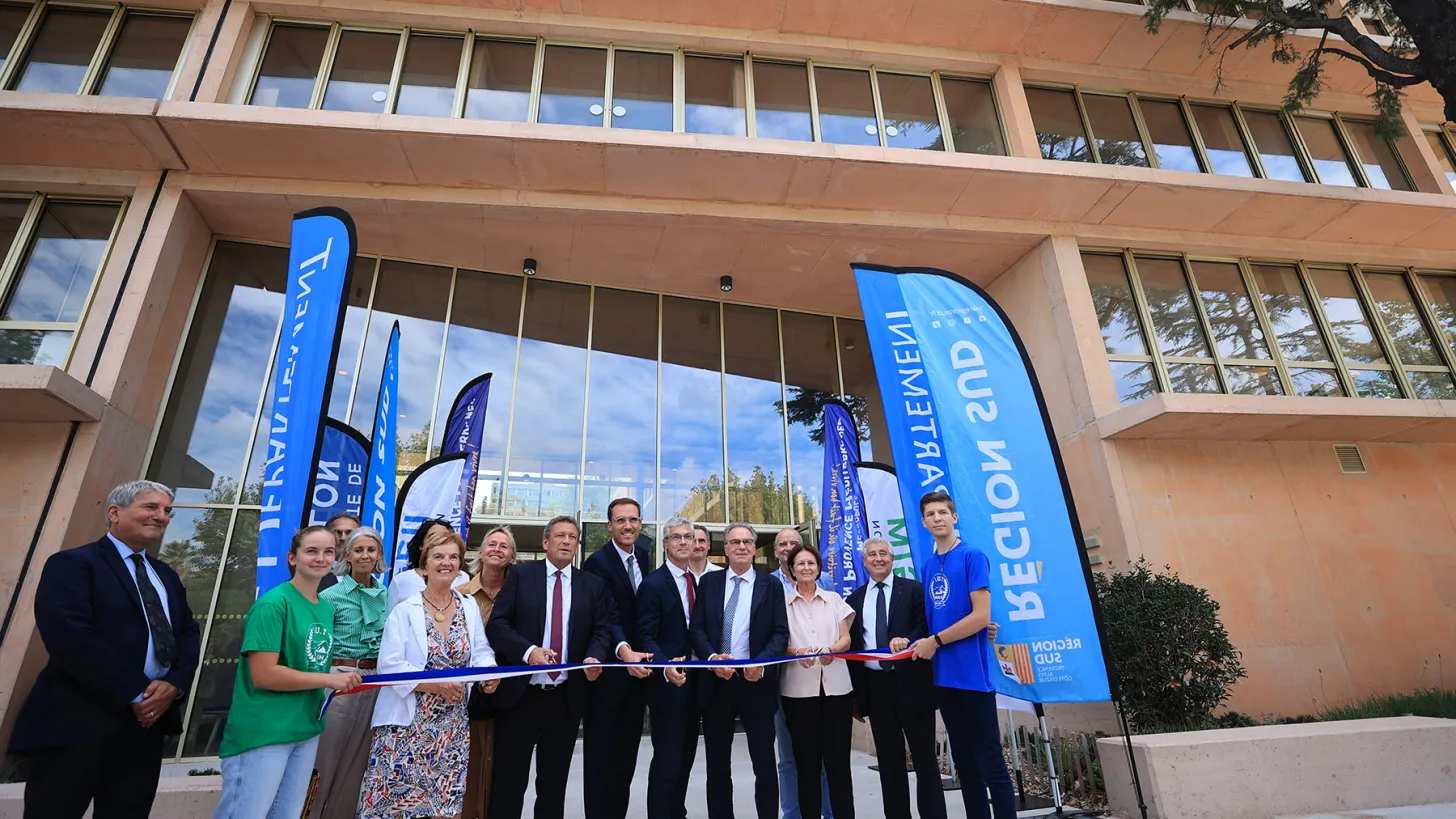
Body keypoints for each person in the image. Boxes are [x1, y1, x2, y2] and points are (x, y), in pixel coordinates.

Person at [12, 480, 201, 819]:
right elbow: (70, 638)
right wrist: (137, 693)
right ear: (115, 512)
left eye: (167, 511)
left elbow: (187, 633)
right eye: (151, 507)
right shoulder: (72, 564)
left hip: (144, 730)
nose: (161, 516)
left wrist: (173, 685)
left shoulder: (166, 576)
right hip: (77, 723)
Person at [213, 527, 362, 819]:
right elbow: (264, 674)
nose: (321, 558)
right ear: (292, 558)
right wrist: (330, 679)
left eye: (328, 552)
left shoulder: (324, 609)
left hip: (305, 729)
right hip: (264, 731)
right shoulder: (273, 604)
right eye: (311, 551)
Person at [358, 528, 499, 819]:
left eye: (453, 557)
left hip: (452, 728)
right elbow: (390, 666)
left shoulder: (468, 606)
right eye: (438, 556)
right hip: (405, 727)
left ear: (460, 564)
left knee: (445, 808)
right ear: (425, 565)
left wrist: (489, 673)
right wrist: (437, 686)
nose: (446, 562)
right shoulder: (404, 610)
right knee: (395, 810)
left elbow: (481, 651)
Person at [486, 516, 619, 819]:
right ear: (546, 542)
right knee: (509, 784)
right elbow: (498, 625)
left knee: (553, 786)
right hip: (521, 698)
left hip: (565, 699)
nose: (566, 541)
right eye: (560, 535)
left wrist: (594, 656)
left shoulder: (591, 584)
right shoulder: (521, 575)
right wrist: (529, 652)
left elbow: (602, 629)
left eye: (572, 537)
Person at [909, 491, 1015, 819]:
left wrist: (936, 641)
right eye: (931, 514)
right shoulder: (927, 566)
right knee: (965, 763)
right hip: (943, 677)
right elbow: (933, 617)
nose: (938, 518)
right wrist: (913, 640)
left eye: (943, 512)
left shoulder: (972, 556)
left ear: (954, 518)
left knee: (991, 761)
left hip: (972, 676)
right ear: (924, 522)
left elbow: (981, 616)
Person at [688, 522, 789, 819]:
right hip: (717, 683)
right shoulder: (709, 583)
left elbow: (780, 634)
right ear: (726, 549)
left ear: (754, 548)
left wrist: (761, 663)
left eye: (747, 541)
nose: (742, 546)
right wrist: (711, 658)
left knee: (764, 765)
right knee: (718, 766)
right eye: (735, 542)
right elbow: (697, 630)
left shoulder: (771, 585)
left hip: (756, 683)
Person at [847, 537, 946, 819]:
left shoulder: (914, 590)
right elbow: (854, 647)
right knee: (890, 765)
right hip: (876, 690)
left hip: (912, 686)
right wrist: (856, 697)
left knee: (926, 761)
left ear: (892, 559)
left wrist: (910, 639)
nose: (878, 558)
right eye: (872, 555)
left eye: (883, 554)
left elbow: (926, 627)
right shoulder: (853, 600)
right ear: (864, 562)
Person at [581, 497, 656, 819]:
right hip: (610, 674)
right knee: (600, 759)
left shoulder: (644, 554)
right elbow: (607, 617)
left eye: (633, 520)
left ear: (640, 524)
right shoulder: (598, 563)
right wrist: (625, 653)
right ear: (609, 525)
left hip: (639, 677)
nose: (628, 526)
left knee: (626, 757)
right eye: (621, 520)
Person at [308, 527, 389, 819]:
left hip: (376, 682)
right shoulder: (329, 597)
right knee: (324, 760)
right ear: (347, 555)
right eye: (359, 550)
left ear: (379, 554)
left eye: (371, 549)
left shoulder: (386, 595)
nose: (365, 555)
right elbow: (317, 646)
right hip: (339, 680)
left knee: (358, 764)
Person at [781, 544, 856, 819]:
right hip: (799, 693)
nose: (806, 568)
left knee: (838, 764)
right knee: (806, 764)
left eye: (811, 563)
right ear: (791, 570)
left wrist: (833, 650)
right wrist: (795, 652)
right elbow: (780, 642)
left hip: (836, 689)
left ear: (818, 567)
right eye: (800, 564)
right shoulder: (783, 605)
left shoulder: (834, 599)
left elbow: (846, 638)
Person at [768, 526, 834, 819]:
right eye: (782, 544)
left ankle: (826, 811)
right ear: (776, 551)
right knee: (789, 756)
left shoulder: (826, 581)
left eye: (793, 543)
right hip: (784, 680)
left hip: (823, 680)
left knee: (823, 755)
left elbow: (837, 622)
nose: (787, 547)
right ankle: (793, 813)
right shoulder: (766, 584)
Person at [636, 517, 700, 819]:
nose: (684, 542)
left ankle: (678, 812)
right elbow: (645, 634)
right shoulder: (652, 584)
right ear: (665, 544)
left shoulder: (698, 582)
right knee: (667, 759)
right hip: (667, 685)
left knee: (686, 756)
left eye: (689, 537)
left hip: (696, 683)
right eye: (677, 537)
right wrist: (664, 666)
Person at [457, 526, 517, 819]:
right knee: (471, 764)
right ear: (479, 552)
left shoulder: (521, 593)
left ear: (512, 556)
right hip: (470, 693)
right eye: (490, 544)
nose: (496, 549)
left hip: (510, 692)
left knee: (502, 770)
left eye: (503, 546)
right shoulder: (460, 595)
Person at [387, 518, 470, 611]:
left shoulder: (464, 579)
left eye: (444, 537)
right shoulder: (401, 581)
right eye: (432, 537)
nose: (439, 541)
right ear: (421, 545)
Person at [317, 513, 361, 593]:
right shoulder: (312, 574)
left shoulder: (368, 576)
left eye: (349, 532)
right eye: (337, 532)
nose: (343, 538)